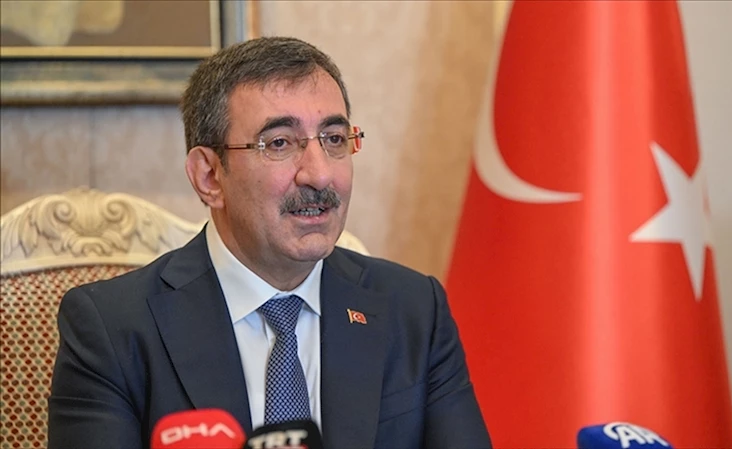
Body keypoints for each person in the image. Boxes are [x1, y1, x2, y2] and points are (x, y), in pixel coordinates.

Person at [47, 36, 491, 449]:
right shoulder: (113, 329)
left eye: (335, 139)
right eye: (279, 143)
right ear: (209, 176)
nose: (319, 174)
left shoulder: (414, 311)